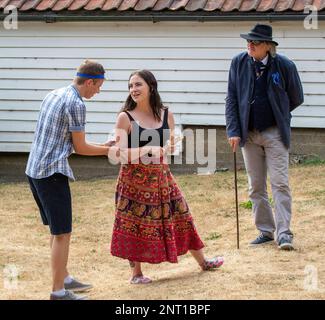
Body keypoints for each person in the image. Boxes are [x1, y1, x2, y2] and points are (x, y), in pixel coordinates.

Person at [110, 70, 224, 284]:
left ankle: (204, 262)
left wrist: (169, 147)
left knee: (182, 214)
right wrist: (148, 149)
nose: (133, 89)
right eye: (130, 86)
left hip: (162, 177)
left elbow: (168, 147)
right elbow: (119, 154)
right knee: (134, 223)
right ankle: (136, 274)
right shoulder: (125, 117)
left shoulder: (166, 114)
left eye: (138, 85)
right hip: (133, 180)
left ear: (151, 86)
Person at [26, 60, 116, 300]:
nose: (98, 91)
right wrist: (109, 151)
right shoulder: (76, 104)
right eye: (98, 86)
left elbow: (69, 142)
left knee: (57, 232)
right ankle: (58, 291)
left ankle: (64, 277)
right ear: (90, 81)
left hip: (34, 170)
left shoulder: (54, 94)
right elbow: (81, 147)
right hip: (51, 173)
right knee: (63, 233)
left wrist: (103, 146)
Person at [225, 24, 304, 250]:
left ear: (268, 46)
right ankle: (265, 231)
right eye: (248, 41)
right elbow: (231, 98)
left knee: (279, 183)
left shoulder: (285, 65)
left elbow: (296, 96)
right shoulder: (238, 63)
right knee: (255, 186)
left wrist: (278, 111)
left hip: (274, 132)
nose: (250, 45)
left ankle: (284, 233)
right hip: (247, 134)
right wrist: (233, 130)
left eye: (255, 42)